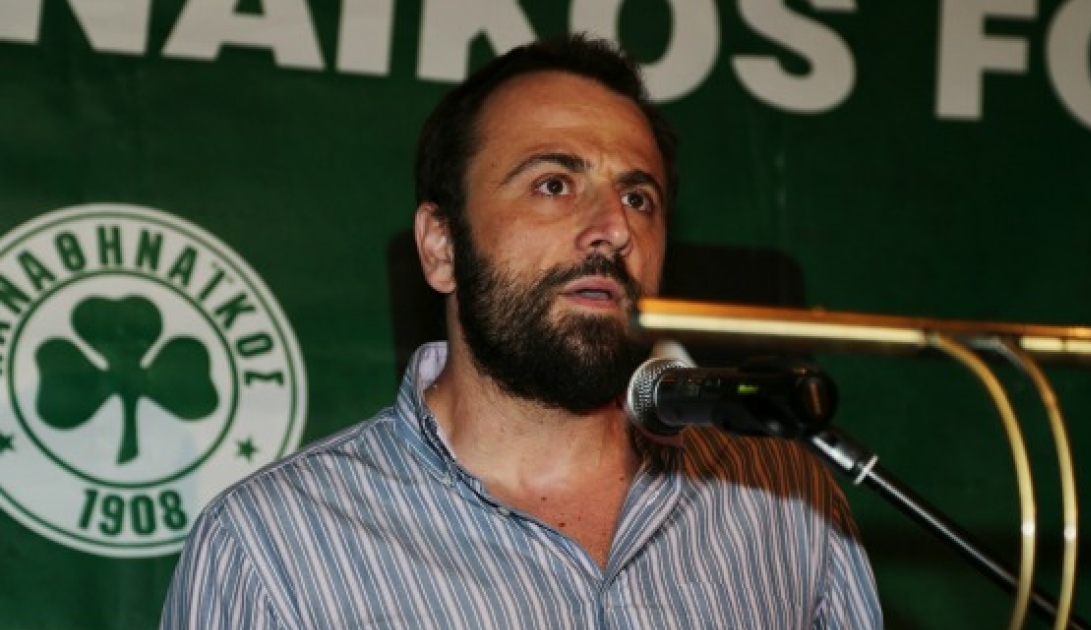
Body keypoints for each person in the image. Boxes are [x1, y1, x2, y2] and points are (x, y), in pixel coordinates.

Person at [160, 34, 883, 629]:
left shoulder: (787, 505)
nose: (613, 229)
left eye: (639, 197)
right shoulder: (272, 546)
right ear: (441, 246)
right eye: (554, 184)